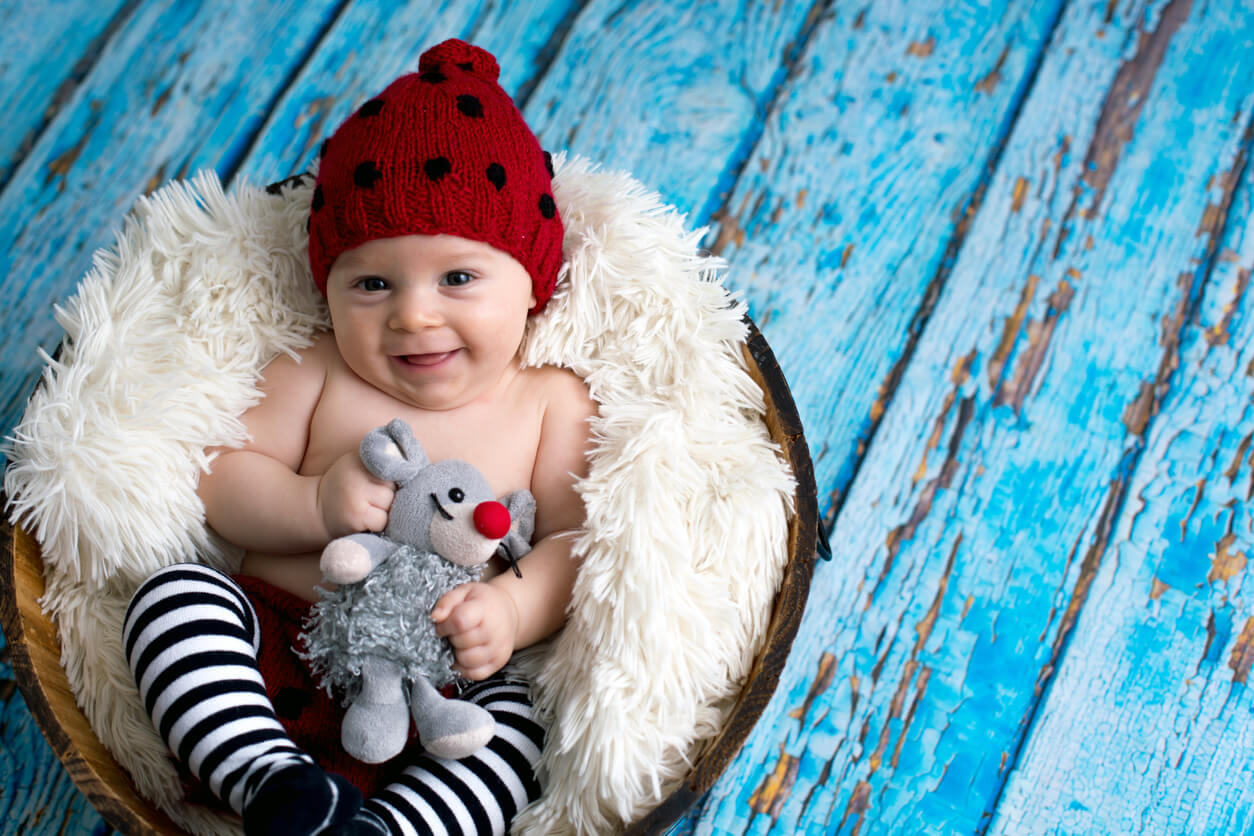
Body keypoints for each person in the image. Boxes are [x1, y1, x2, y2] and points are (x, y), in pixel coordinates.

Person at [121, 38, 594, 836]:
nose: (413, 313)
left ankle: (387, 830)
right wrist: (314, 502)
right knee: (172, 599)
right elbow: (222, 482)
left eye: (458, 278)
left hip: (442, 697)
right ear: (329, 286)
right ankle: (272, 786)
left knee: (525, 724)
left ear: (531, 283)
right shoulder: (315, 370)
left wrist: (509, 612)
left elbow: (579, 544)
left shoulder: (549, 403)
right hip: (277, 644)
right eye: (372, 283)